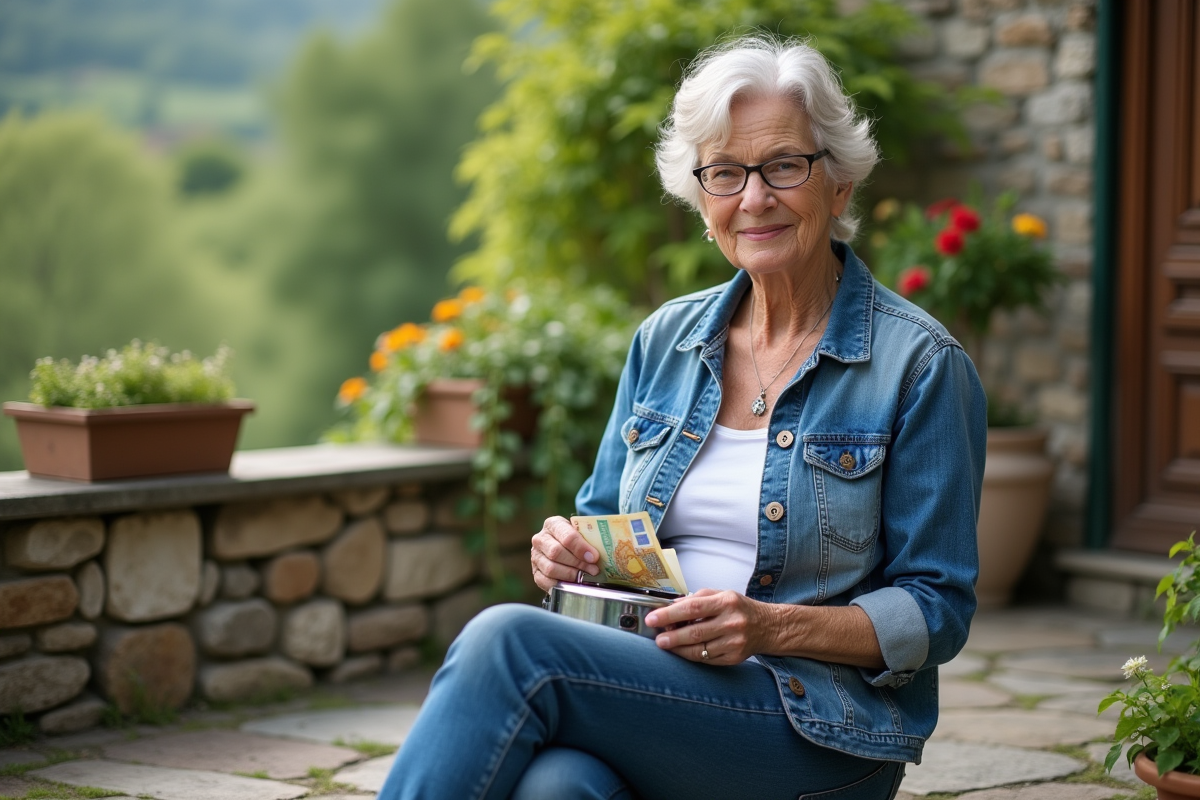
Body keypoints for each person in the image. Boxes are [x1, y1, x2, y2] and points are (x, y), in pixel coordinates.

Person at [378, 34, 986, 800]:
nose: (754, 198)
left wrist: (767, 628)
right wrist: (571, 553)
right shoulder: (666, 339)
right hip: (661, 690)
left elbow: (936, 611)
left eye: (783, 166)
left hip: (822, 728)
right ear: (704, 201)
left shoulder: (921, 365)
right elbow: (605, 522)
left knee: (508, 645)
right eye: (726, 174)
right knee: (559, 789)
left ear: (838, 185)